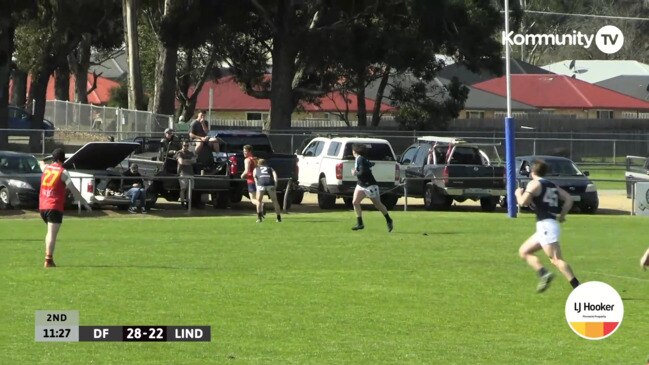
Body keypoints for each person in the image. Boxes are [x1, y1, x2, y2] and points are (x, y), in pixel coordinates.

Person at [515, 159, 581, 293]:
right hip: (547, 225)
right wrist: (562, 216)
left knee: (556, 260)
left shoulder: (534, 184)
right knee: (524, 251)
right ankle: (544, 273)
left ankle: (578, 288)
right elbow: (568, 199)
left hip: (546, 226)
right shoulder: (551, 185)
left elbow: (523, 203)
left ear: (532, 171)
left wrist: (518, 194)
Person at [39, 148, 92, 268]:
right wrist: (84, 202)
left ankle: (48, 258)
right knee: (52, 234)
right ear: (63, 159)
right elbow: (73, 190)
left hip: (42, 206)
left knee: (49, 233)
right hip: (54, 206)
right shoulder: (63, 172)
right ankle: (48, 260)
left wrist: (49, 157)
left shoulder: (46, 168)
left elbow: (40, 162)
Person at [350, 144, 393, 232]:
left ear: (354, 151)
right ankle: (360, 223)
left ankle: (389, 220)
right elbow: (369, 164)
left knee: (378, 204)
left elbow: (362, 172)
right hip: (361, 184)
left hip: (370, 185)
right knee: (355, 202)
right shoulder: (359, 158)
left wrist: (355, 173)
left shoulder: (360, 159)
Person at [253, 159, 282, 223]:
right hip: (270, 183)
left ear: (258, 164)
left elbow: (255, 178)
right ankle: (278, 218)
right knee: (275, 201)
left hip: (261, 184)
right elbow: (275, 176)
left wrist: (257, 187)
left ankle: (259, 218)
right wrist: (275, 184)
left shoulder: (255, 169)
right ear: (265, 164)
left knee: (259, 201)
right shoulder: (270, 168)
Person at [174, 141, 196, 209]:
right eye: (184, 145)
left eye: (187, 145)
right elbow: (180, 162)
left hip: (191, 173)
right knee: (183, 189)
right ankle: (182, 204)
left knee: (190, 190)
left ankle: (188, 204)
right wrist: (188, 161)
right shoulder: (179, 153)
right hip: (182, 173)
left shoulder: (191, 153)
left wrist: (185, 161)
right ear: (182, 145)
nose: (185, 147)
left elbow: (194, 161)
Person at [240, 144, 258, 212]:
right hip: (257, 180)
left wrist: (242, 176)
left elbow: (247, 171)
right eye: (243, 151)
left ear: (250, 152)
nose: (244, 153)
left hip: (251, 181)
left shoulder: (247, 160)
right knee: (257, 197)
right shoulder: (255, 159)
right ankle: (260, 213)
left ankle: (261, 205)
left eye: (245, 151)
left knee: (253, 199)